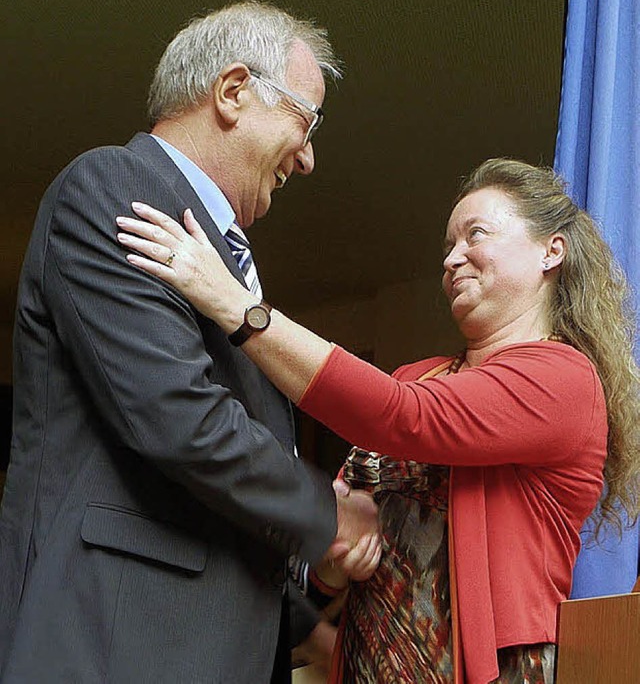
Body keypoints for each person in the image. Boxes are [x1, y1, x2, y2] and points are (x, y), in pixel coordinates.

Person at [114, 157, 640, 683]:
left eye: (475, 234)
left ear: (552, 251)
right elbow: (338, 518)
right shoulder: (418, 375)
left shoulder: (564, 379)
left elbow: (400, 416)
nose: (453, 259)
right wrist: (333, 560)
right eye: (447, 247)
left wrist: (237, 306)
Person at [0, 1, 381, 683]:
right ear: (233, 92)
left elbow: (194, 511)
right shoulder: (115, 185)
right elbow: (180, 419)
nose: (310, 155)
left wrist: (307, 629)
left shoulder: (220, 260)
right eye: (306, 119)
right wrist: (331, 514)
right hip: (115, 649)